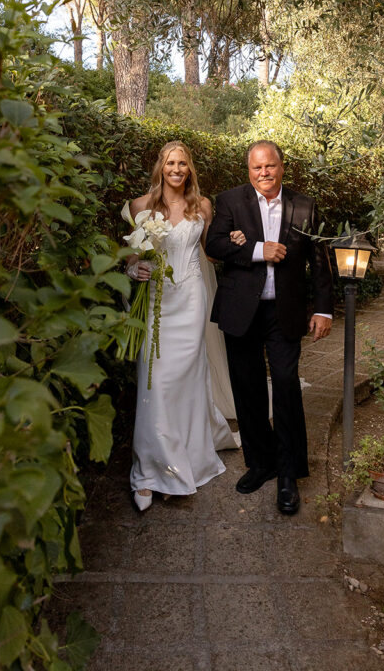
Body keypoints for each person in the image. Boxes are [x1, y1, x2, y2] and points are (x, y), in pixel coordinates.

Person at [205, 140, 334, 516]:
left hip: (285, 312)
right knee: (246, 389)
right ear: (249, 171)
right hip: (241, 309)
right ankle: (260, 463)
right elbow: (213, 244)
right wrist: (258, 250)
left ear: (282, 166)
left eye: (270, 166)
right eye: (257, 168)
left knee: (287, 386)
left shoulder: (305, 204)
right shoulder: (229, 201)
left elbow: (320, 260)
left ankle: (289, 473)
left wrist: (323, 310)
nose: (264, 173)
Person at [126, 141, 242, 512]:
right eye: (171, 163)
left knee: (185, 381)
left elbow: (209, 251)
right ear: (161, 166)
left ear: (190, 169)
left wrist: (235, 240)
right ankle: (149, 471)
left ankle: (185, 460)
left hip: (191, 299)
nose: (177, 169)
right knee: (155, 382)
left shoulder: (202, 206)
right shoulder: (139, 206)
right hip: (156, 301)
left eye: (183, 164)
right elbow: (130, 256)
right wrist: (134, 268)